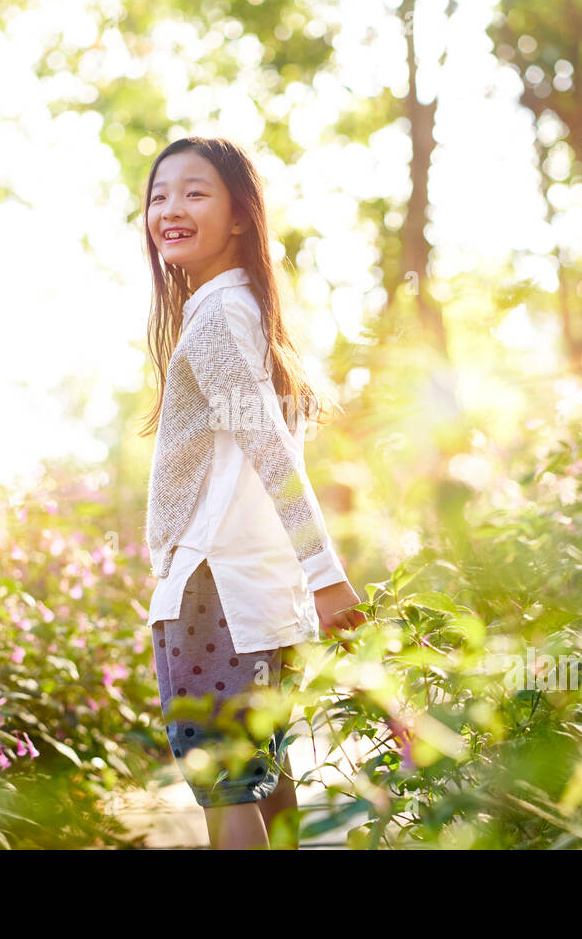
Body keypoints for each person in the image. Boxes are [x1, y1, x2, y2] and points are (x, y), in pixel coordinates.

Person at [139, 136, 366, 849]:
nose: (170, 208)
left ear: (240, 215)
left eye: (194, 192)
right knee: (269, 786)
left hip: (215, 591)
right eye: (159, 194)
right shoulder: (245, 314)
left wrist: (327, 576)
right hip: (257, 595)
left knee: (229, 790)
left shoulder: (215, 321)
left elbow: (273, 457)